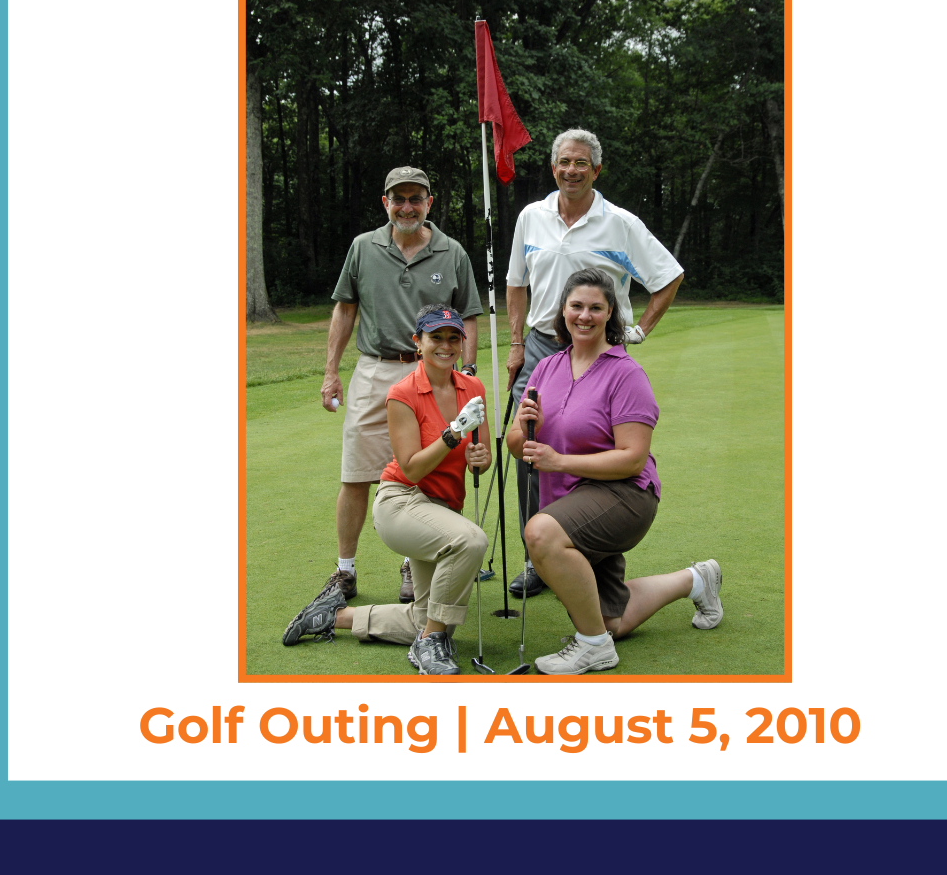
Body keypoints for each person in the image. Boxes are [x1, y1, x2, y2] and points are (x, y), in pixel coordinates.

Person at [505, 267, 723, 674]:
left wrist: (560, 461)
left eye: (595, 308)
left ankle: (593, 648)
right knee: (610, 620)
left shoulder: (626, 374)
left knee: (539, 532)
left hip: (624, 495)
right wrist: (522, 424)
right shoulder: (548, 367)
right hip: (571, 501)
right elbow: (520, 447)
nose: (584, 316)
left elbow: (632, 458)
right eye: (576, 306)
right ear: (563, 311)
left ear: (610, 314)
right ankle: (696, 580)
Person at [505, 129, 685, 597]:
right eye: (565, 162)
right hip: (542, 347)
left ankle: (584, 545)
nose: (572, 170)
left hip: (600, 348)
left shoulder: (620, 222)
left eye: (582, 163)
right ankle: (538, 556)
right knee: (526, 447)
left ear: (596, 170)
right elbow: (516, 283)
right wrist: (515, 342)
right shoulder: (531, 216)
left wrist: (637, 328)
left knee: (593, 443)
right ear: (553, 167)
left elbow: (668, 275)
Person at [283, 305, 492, 674]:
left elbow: (482, 455)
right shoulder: (402, 393)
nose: (445, 345)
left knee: (427, 617)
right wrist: (453, 434)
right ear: (418, 342)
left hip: (442, 511)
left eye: (453, 338)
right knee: (471, 542)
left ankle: (334, 616)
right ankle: (428, 645)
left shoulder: (472, 387)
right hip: (401, 502)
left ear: (461, 343)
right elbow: (411, 467)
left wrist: (478, 456)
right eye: (435, 337)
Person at [318, 166, 484, 606]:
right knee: (355, 473)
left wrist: (466, 370)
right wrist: (331, 371)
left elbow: (467, 314)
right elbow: (344, 310)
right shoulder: (362, 247)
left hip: (433, 372)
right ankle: (345, 570)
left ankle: (414, 561)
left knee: (426, 471)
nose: (407, 206)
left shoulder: (452, 252)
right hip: (375, 368)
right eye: (399, 198)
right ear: (385, 203)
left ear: (430, 203)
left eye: (416, 198)